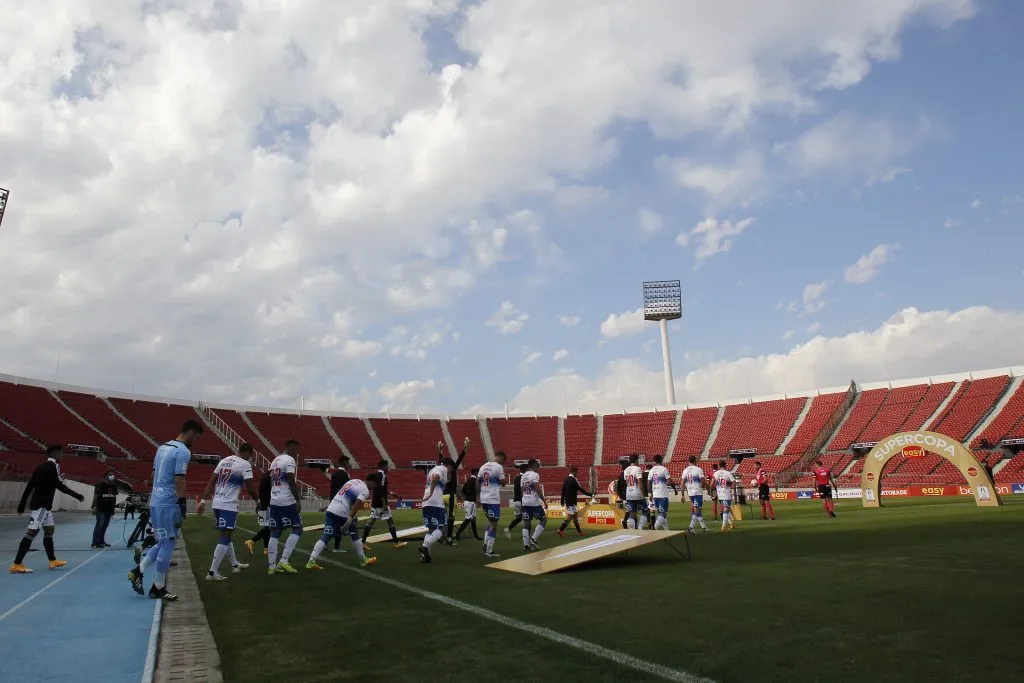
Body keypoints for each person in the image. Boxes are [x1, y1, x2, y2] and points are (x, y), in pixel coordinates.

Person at [127, 421, 204, 600]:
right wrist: (182, 503)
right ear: (190, 432)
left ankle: (137, 571)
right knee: (168, 543)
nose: (196, 440)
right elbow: (179, 479)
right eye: (197, 437)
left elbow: (153, 476)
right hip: (169, 503)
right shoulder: (183, 451)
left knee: (161, 541)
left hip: (156, 501)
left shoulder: (162, 448)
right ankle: (158, 587)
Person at [10, 445, 86, 574]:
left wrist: (22, 504)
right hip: (41, 506)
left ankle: (52, 560)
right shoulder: (52, 467)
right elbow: (59, 485)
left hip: (45, 507)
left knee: (49, 530)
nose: (62, 456)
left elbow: (30, 485)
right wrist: (77, 495)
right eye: (61, 454)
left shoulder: (41, 466)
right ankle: (16, 564)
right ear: (55, 454)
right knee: (31, 533)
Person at [196, 443, 260, 580]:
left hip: (217, 503)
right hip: (228, 504)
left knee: (227, 534)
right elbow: (250, 488)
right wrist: (258, 501)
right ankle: (212, 573)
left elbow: (211, 482)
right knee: (225, 536)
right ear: (248, 452)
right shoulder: (244, 464)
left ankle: (234, 564)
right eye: (251, 455)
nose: (251, 458)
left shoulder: (223, 461)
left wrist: (202, 501)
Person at [306, 474, 379, 569]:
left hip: (331, 509)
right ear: (372, 481)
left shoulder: (354, 481)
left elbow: (344, 495)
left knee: (327, 535)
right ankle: (363, 559)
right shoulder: (365, 490)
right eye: (376, 485)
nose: (375, 487)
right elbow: (357, 504)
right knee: (355, 535)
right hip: (342, 511)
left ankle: (311, 561)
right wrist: (349, 521)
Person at [267, 439, 304, 574]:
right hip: (286, 499)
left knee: (275, 531)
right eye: (296, 450)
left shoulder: (275, 460)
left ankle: (271, 566)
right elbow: (290, 478)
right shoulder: (289, 460)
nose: (297, 453)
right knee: (298, 528)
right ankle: (284, 560)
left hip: (274, 499)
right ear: (291, 448)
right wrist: (297, 499)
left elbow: (270, 478)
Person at [361, 459, 407, 550]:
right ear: (383, 466)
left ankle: (362, 542)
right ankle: (396, 542)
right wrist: (384, 503)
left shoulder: (377, 475)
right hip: (381, 503)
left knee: (371, 521)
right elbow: (381, 490)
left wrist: (394, 494)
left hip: (375, 502)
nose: (388, 467)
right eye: (387, 466)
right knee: (390, 521)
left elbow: (381, 489)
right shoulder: (382, 475)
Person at [419, 457, 456, 564]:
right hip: (435, 502)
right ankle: (425, 547)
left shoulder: (432, 470)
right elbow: (435, 478)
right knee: (443, 528)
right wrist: (431, 493)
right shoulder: (443, 469)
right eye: (451, 469)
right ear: (448, 465)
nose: (450, 472)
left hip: (426, 502)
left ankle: (424, 557)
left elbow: (435, 478)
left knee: (431, 530)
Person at [476, 452, 506, 557]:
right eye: (503, 461)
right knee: (494, 525)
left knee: (490, 522)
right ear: (501, 459)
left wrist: (477, 496)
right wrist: (500, 480)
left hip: (484, 499)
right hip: (493, 499)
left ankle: (485, 544)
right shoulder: (499, 467)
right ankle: (489, 551)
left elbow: (478, 481)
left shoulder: (483, 466)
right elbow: (503, 483)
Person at [441, 438, 470, 544]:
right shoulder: (452, 470)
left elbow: (441, 459)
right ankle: (448, 538)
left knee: (442, 517)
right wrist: (465, 449)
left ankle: (442, 535)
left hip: (441, 496)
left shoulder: (441, 470)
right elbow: (459, 460)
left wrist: (440, 451)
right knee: (451, 517)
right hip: (450, 496)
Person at [244, 469, 273, 556]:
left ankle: (266, 548)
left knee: (267, 527)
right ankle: (252, 541)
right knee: (271, 527)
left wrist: (259, 504)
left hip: (263, 504)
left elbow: (261, 492)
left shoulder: (265, 475)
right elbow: (271, 491)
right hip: (269, 504)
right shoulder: (271, 476)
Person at [520, 459, 547, 551]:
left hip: (524, 502)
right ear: (534, 465)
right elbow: (537, 489)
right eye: (537, 466)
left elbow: (521, 490)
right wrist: (544, 501)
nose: (538, 468)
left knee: (526, 523)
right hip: (533, 502)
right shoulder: (535, 475)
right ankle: (534, 538)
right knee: (543, 519)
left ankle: (526, 545)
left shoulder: (523, 476)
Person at [557, 466, 591, 538]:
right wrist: (589, 494)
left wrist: (562, 500)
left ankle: (579, 532)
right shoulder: (573, 479)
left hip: (568, 500)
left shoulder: (566, 479)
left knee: (575, 516)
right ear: (574, 472)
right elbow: (580, 489)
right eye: (577, 472)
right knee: (570, 516)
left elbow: (563, 490)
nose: (577, 474)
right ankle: (560, 530)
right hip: (571, 501)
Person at [646, 455, 676, 530]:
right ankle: (654, 528)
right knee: (663, 513)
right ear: (661, 460)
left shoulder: (651, 470)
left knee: (661, 513)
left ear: (655, 461)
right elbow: (669, 481)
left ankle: (666, 531)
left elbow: (648, 483)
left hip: (655, 496)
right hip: (662, 495)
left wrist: (649, 494)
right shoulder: (664, 469)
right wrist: (674, 488)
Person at [328, 457, 351, 552]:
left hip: (332, 501)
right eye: (348, 462)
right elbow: (346, 490)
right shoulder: (345, 475)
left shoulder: (334, 474)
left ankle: (325, 543)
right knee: (339, 525)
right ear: (344, 463)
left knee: (332, 525)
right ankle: (336, 547)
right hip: (340, 502)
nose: (349, 464)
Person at [91, 469, 118, 548]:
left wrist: (113, 508)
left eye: (113, 474)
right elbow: (96, 495)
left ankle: (102, 541)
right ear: (106, 476)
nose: (112, 476)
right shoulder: (100, 484)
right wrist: (94, 506)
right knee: (99, 525)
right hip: (101, 507)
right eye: (110, 474)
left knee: (105, 525)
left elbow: (114, 497)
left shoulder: (114, 485)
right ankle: (95, 542)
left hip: (109, 508)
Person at [680, 456, 708, 533]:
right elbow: (703, 481)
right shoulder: (698, 469)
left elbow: (682, 483)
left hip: (690, 493)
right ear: (696, 461)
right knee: (698, 509)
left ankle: (704, 527)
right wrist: (708, 488)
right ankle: (691, 528)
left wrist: (682, 495)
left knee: (697, 509)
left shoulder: (685, 470)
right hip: (697, 492)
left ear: (688, 461)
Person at [454, 467, 483, 543]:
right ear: (476, 473)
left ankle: (476, 536)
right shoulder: (474, 481)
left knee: (473, 519)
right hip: (471, 502)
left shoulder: (468, 480)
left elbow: (463, 491)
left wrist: (466, 498)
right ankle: (457, 533)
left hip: (467, 501)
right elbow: (476, 490)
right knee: (468, 519)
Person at [503, 461, 528, 539]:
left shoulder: (516, 478)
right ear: (525, 470)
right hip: (522, 501)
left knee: (519, 518)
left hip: (515, 501)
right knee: (527, 519)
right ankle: (527, 537)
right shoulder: (524, 478)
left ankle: (508, 529)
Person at [623, 454, 647, 530]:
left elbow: (626, 482)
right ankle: (640, 528)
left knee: (632, 513)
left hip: (629, 494)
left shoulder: (626, 470)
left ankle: (632, 530)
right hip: (637, 493)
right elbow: (639, 482)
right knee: (646, 511)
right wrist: (643, 494)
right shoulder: (637, 469)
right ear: (636, 460)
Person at [712, 460, 737, 531]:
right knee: (726, 509)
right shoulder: (728, 473)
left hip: (720, 494)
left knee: (727, 508)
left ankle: (731, 524)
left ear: (719, 466)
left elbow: (712, 483)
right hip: (726, 493)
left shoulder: (716, 473)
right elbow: (734, 482)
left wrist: (713, 490)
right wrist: (732, 488)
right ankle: (724, 526)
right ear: (725, 465)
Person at [616, 460, 629, 528]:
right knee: (632, 510)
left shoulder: (620, 475)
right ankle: (625, 521)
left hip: (623, 496)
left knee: (629, 509)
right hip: (629, 495)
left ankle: (625, 521)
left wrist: (620, 496)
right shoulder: (627, 474)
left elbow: (618, 486)